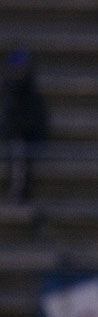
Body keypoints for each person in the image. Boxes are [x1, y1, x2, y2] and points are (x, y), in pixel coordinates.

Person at [0, 47, 48, 202]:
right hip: (14, 138)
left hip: (27, 140)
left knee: (21, 152)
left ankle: (20, 194)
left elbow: (38, 123)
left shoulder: (32, 97)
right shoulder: (9, 94)